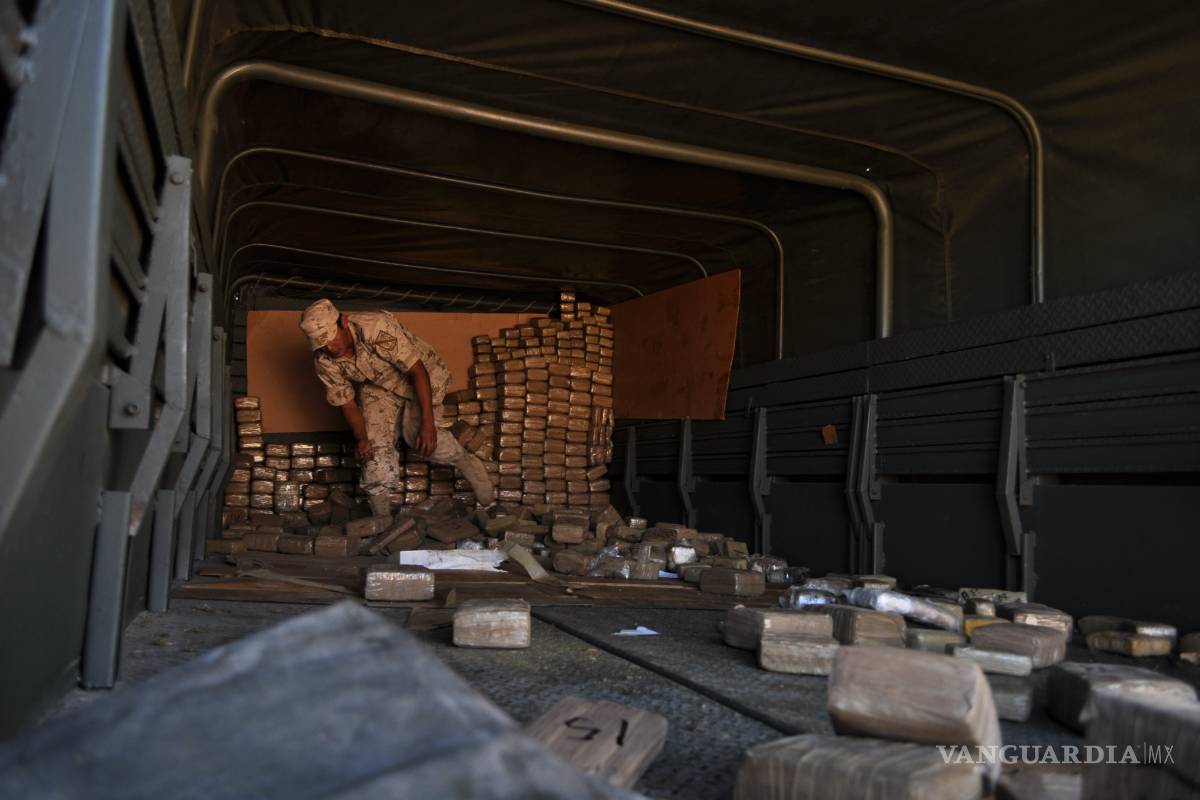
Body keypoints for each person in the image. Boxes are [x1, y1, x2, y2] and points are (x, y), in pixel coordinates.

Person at [298, 298, 494, 516]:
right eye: (320, 343)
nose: (328, 347)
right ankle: (383, 521)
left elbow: (418, 371)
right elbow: (347, 402)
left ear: (343, 322)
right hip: (379, 385)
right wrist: (362, 438)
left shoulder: (375, 328)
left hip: (421, 377)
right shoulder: (323, 360)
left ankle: (466, 461)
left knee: (418, 437)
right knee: (373, 450)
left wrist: (427, 424)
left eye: (330, 338)